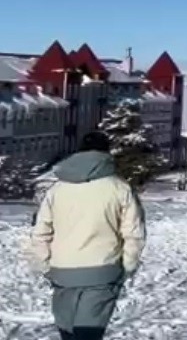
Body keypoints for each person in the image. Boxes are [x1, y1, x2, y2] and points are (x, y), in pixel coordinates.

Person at [30, 132, 146, 340]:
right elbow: (133, 234)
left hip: (62, 270)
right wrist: (128, 265)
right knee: (88, 334)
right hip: (103, 270)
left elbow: (41, 232)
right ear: (107, 153)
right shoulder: (119, 187)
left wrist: (44, 264)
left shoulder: (57, 189)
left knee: (68, 332)